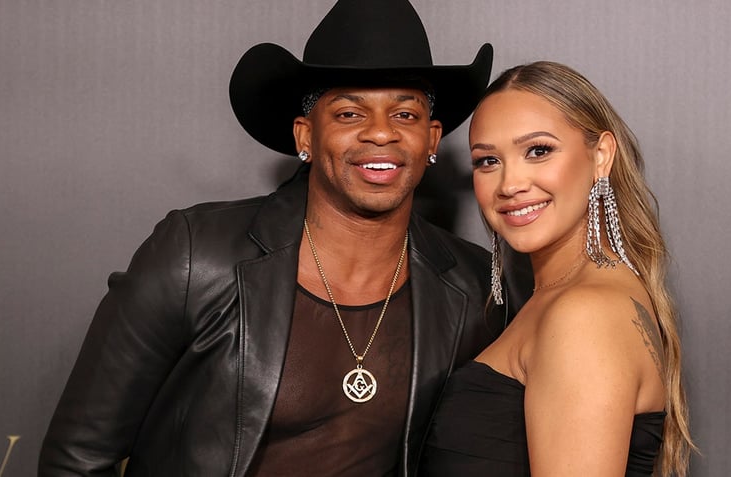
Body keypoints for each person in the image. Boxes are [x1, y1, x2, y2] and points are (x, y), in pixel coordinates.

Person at [38, 1, 526, 475]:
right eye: (349, 114)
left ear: (433, 140)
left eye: (405, 114)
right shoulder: (195, 255)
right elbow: (77, 460)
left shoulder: (475, 290)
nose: (382, 134)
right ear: (304, 137)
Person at [420, 61, 697, 476]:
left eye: (538, 151)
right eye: (488, 161)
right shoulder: (564, 298)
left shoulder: (584, 315)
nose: (510, 183)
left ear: (601, 155)